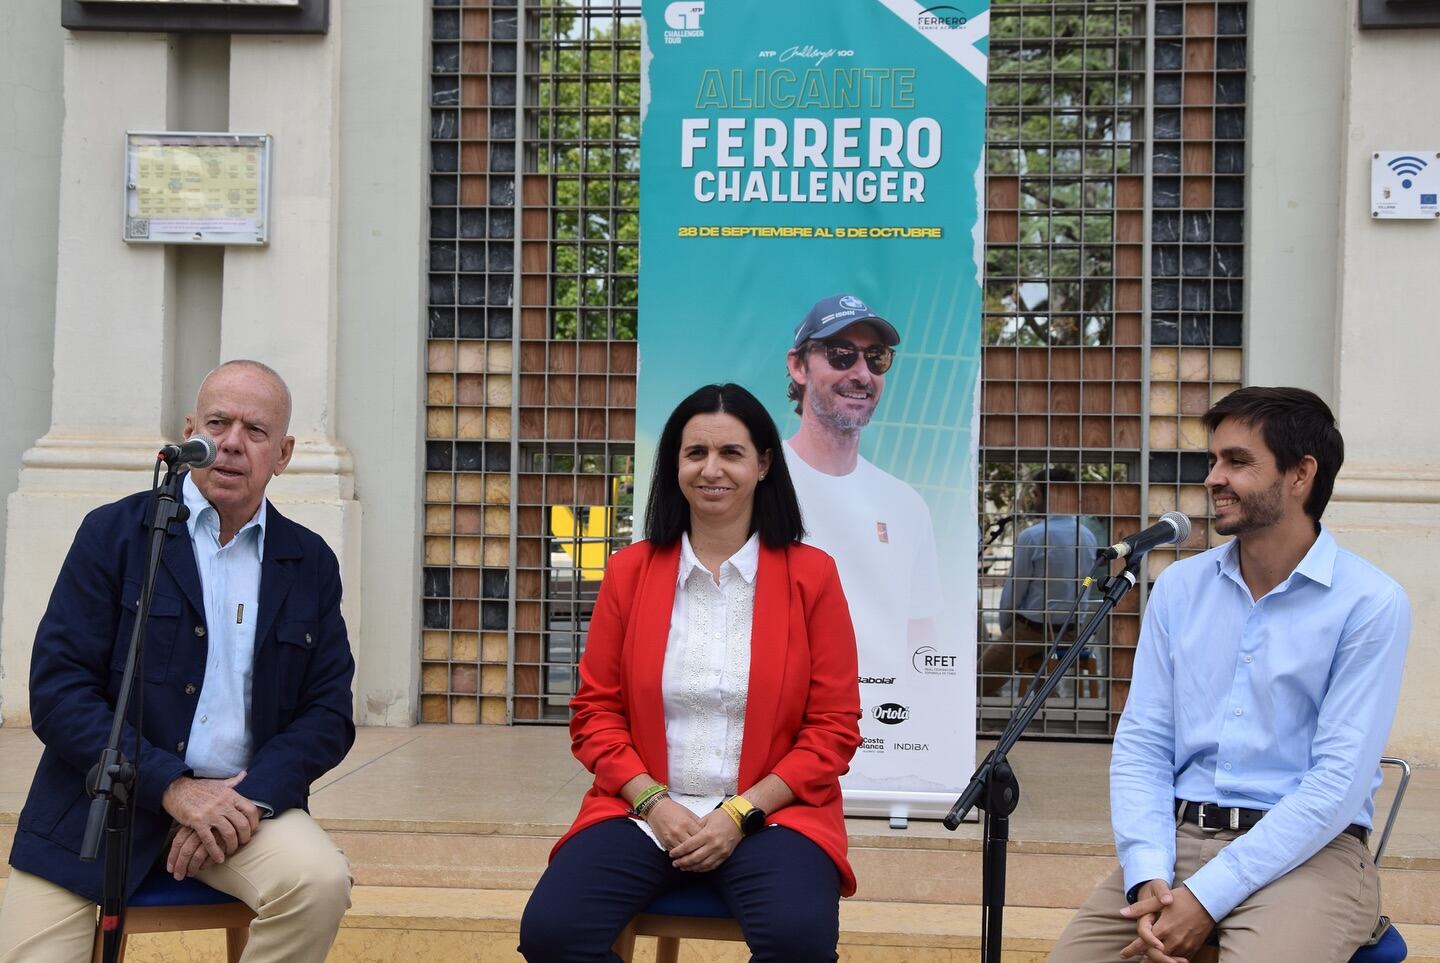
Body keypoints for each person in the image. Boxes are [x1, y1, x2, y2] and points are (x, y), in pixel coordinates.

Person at [0, 360, 355, 963]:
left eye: (256, 430)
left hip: (244, 808)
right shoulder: (114, 534)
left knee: (318, 883)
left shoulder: (309, 560)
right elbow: (60, 692)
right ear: (190, 432)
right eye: (218, 424)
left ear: (284, 454)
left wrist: (248, 800)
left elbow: (327, 713)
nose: (232, 443)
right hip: (96, 806)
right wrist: (171, 788)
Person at [1047, 386, 1410, 963]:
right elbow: (1144, 743)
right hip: (1175, 843)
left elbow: (1336, 784)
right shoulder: (1179, 589)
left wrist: (1207, 897)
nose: (1214, 478)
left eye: (1237, 462)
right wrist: (1147, 873)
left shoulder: (1369, 602)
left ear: (1300, 475)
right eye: (1213, 461)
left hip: (1310, 856)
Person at [519, 383, 862, 962]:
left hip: (773, 816)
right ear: (675, 464)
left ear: (763, 465)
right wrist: (654, 802)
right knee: (552, 934)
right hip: (644, 812)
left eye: (731, 453)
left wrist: (739, 813)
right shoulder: (630, 572)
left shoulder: (812, 576)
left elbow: (832, 728)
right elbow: (596, 714)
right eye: (695, 452)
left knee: (798, 942)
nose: (711, 469)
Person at [783, 293, 943, 674]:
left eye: (876, 358)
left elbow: (920, 639)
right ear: (798, 366)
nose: (862, 374)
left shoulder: (907, 506)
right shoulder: (758, 486)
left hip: (884, 710)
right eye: (841, 354)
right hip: (782, 708)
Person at [982, 468, 1099, 697]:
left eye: (1035, 493)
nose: (1033, 499)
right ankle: (1049, 699)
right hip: (1072, 631)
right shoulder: (1087, 536)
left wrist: (1008, 631)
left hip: (1031, 631)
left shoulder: (1033, 536)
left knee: (976, 682)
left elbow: (1013, 592)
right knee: (1035, 670)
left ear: (1049, 495)